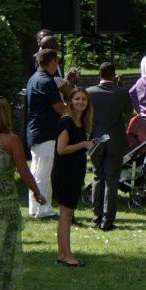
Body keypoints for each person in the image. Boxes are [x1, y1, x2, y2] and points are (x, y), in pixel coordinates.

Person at [0, 97, 46, 290]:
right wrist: (37, 193)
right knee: (3, 249)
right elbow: (24, 171)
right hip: (3, 204)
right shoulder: (10, 140)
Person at [86, 63, 134, 232]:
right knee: (112, 180)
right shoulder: (121, 92)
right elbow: (129, 112)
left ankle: (95, 217)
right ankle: (108, 220)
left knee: (98, 177)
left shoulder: (89, 92)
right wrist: (120, 87)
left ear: (99, 74)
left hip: (96, 139)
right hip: (115, 139)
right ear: (114, 75)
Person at [53, 87, 95, 267]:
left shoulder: (81, 122)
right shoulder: (67, 121)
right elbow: (61, 149)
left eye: (84, 100)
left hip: (75, 172)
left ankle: (62, 253)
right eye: (77, 99)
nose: (80, 102)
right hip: (65, 173)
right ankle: (67, 255)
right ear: (70, 101)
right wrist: (84, 144)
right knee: (66, 216)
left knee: (67, 215)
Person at [24, 49, 64, 219]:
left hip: (35, 131)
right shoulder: (47, 81)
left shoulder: (34, 78)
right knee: (44, 174)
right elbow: (59, 108)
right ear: (53, 62)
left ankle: (34, 208)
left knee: (36, 172)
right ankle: (44, 209)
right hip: (46, 132)